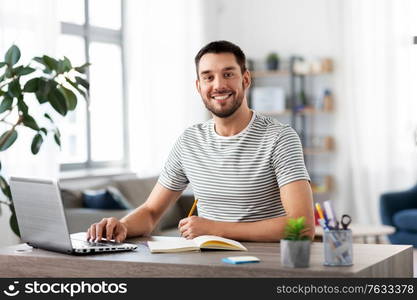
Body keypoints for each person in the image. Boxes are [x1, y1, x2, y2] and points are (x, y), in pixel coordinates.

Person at [86, 40, 314, 243]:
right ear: (199, 87)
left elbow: (302, 227)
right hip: (206, 264)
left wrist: (217, 229)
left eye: (228, 74)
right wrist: (122, 225)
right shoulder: (189, 142)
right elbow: (151, 212)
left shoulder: (280, 138)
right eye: (208, 77)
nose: (218, 85)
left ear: (245, 79)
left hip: (265, 265)